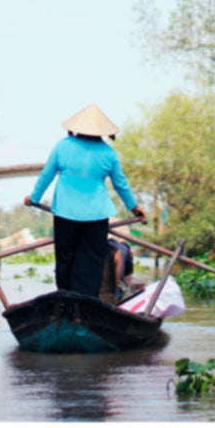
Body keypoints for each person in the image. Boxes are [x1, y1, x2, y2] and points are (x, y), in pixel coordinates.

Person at [24, 104, 146, 297]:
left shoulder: (62, 146)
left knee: (65, 260)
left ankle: (65, 299)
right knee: (91, 262)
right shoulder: (108, 154)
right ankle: (86, 302)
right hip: (96, 216)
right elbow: (120, 185)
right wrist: (134, 207)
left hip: (66, 213)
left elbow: (46, 175)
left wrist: (34, 198)